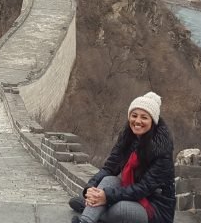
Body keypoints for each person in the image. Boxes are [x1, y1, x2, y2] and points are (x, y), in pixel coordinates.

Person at [68, 92, 176, 223]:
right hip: (131, 192)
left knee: (120, 210)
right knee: (108, 179)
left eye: (144, 117)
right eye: (134, 115)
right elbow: (109, 168)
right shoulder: (128, 138)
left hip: (155, 208)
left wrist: (106, 197)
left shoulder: (161, 150)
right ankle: (86, 219)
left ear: (152, 121)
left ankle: (89, 207)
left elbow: (144, 188)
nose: (137, 121)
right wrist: (90, 188)